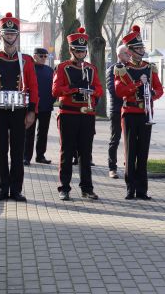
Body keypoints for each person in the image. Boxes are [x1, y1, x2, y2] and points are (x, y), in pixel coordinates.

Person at [0, 12, 38, 202]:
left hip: (19, 111)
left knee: (17, 149)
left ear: (17, 36)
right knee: (0, 148)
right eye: (6, 34)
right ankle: (2, 187)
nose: (9, 37)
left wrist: (32, 111)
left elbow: (33, 86)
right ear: (1, 36)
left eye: (12, 34)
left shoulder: (27, 60)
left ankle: (16, 189)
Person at [53, 27, 103, 200]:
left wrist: (93, 92)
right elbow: (55, 90)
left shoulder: (91, 69)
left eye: (83, 51)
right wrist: (73, 90)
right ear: (71, 50)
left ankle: (87, 188)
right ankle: (64, 188)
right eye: (77, 51)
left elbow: (99, 88)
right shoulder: (62, 67)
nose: (81, 54)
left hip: (87, 115)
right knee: (66, 152)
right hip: (68, 114)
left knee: (85, 153)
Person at [115, 26, 163, 200]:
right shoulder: (122, 69)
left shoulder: (150, 68)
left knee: (143, 153)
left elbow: (159, 89)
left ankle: (142, 190)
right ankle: (130, 188)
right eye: (139, 48)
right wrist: (137, 85)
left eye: (142, 48)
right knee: (130, 151)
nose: (142, 51)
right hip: (129, 113)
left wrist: (152, 93)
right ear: (131, 50)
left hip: (145, 113)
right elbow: (120, 92)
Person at [23, 48, 54, 166]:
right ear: (34, 56)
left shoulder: (50, 70)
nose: (44, 58)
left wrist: (52, 100)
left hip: (46, 106)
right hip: (31, 106)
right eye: (41, 56)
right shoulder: (30, 68)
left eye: (46, 56)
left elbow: (53, 87)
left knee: (43, 132)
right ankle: (26, 157)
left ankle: (40, 155)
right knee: (29, 133)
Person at [106, 44, 129, 179]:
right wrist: (130, 92)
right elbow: (114, 91)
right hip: (117, 110)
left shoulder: (132, 68)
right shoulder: (112, 70)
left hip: (131, 110)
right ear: (119, 55)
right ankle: (112, 168)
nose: (129, 56)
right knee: (115, 139)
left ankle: (129, 165)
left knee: (130, 140)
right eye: (126, 53)